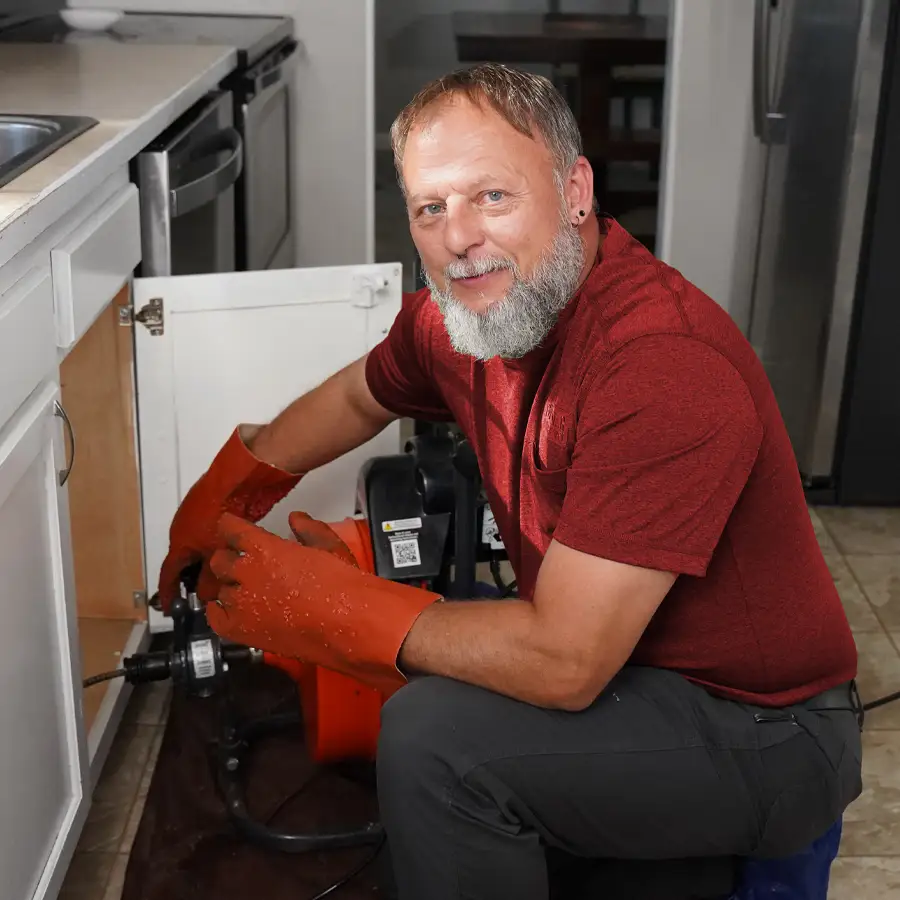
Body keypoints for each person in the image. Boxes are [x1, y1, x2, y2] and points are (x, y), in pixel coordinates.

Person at [156, 64, 864, 900]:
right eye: (431, 208)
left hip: (765, 728)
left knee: (434, 739)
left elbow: (565, 661)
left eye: (491, 196)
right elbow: (358, 394)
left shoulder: (662, 362)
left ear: (574, 191)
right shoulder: (467, 315)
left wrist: (336, 611)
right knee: (457, 667)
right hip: (637, 673)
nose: (458, 236)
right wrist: (233, 487)